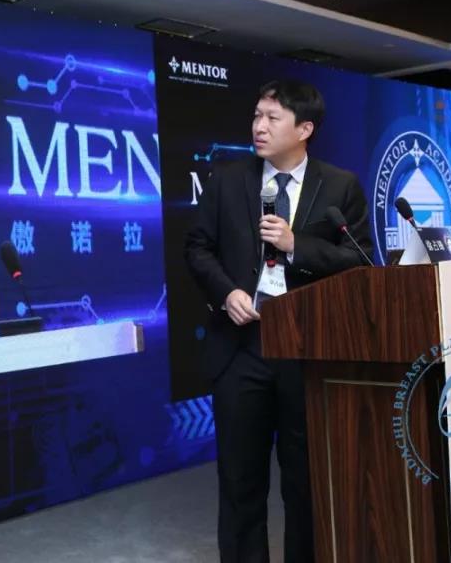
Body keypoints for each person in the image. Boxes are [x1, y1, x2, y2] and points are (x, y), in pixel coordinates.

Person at [185, 79, 372, 562]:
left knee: (305, 482)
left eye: (272, 118)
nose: (259, 126)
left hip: (307, 351)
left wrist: (295, 246)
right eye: (256, 115)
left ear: (304, 129)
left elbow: (358, 260)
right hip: (241, 347)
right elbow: (198, 248)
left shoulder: (339, 186)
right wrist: (227, 292)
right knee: (240, 482)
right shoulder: (228, 180)